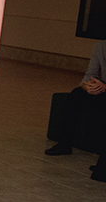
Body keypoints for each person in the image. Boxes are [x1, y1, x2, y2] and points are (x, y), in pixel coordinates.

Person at [44, 39, 106, 181]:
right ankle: (65, 143)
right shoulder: (101, 47)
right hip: (100, 88)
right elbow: (90, 74)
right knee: (76, 95)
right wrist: (86, 86)